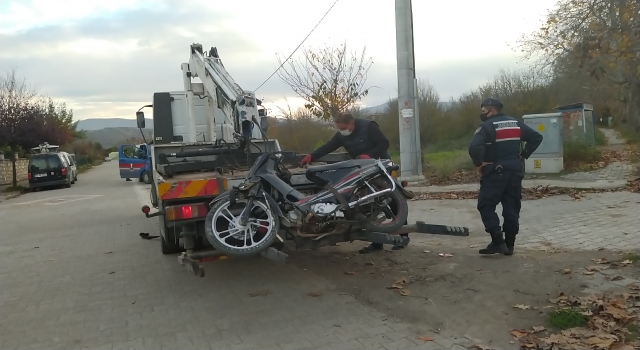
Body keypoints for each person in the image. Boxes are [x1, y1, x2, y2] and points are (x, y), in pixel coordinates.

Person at [300, 113, 407, 254]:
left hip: (380, 167)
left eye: (344, 128)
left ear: (351, 123)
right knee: (367, 205)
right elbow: (329, 146)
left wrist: (370, 154)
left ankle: (404, 236)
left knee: (393, 199)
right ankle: (377, 243)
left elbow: (384, 143)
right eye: (339, 128)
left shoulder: (369, 126)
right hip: (361, 171)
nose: (342, 131)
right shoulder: (342, 135)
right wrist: (311, 156)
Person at [468, 98, 543, 256]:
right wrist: (523, 155)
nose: (481, 115)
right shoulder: (516, 123)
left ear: (492, 111)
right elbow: (536, 137)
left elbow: (474, 146)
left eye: (483, 112)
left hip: (495, 171)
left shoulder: (487, 126)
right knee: (511, 207)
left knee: (486, 205)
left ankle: (497, 241)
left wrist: (478, 163)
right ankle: (509, 245)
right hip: (515, 171)